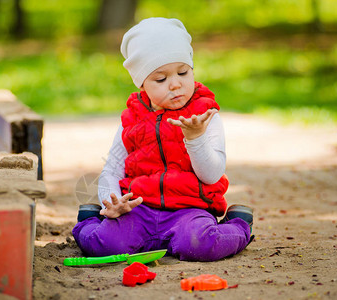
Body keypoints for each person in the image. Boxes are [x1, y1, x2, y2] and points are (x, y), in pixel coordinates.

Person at [72, 17, 253, 262]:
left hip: (190, 209)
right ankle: (90, 220)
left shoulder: (205, 116)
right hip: (139, 210)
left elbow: (211, 175)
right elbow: (112, 169)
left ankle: (238, 224)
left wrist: (195, 138)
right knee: (105, 245)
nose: (176, 84)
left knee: (200, 245)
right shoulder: (132, 119)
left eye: (183, 72)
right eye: (161, 79)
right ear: (142, 84)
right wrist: (111, 204)